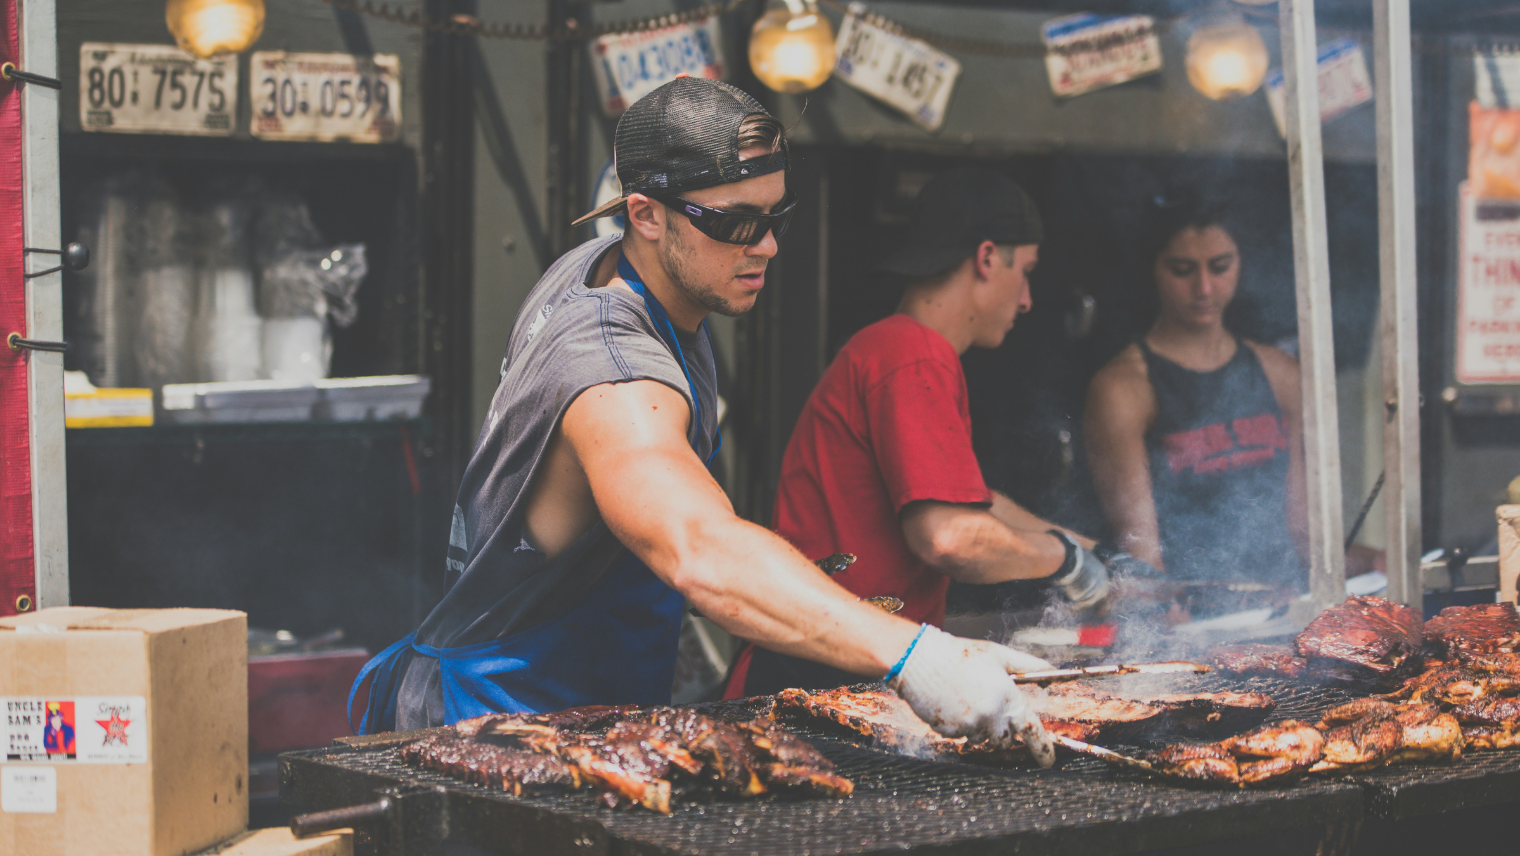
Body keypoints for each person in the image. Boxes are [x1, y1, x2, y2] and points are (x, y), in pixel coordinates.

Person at [350, 79, 1060, 766]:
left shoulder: (616, 267)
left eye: (775, 218)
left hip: (589, 714)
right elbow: (698, 547)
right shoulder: (615, 372)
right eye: (736, 224)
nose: (767, 247)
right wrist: (916, 654)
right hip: (498, 722)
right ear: (646, 213)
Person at [728, 167, 1132, 698]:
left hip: (833, 669)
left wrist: (1101, 552)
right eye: (1026, 271)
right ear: (987, 258)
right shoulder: (912, 354)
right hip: (821, 679)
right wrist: (1069, 564)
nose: (1028, 298)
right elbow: (951, 538)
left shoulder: (895, 348)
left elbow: (975, 505)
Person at [1084, 198, 1373, 588]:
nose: (1204, 287)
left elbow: (1302, 534)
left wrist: (1377, 560)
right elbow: (1144, 564)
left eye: (1220, 267)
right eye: (1182, 270)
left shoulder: (1281, 374)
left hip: (1282, 611)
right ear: (1153, 269)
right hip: (1191, 619)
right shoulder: (1124, 389)